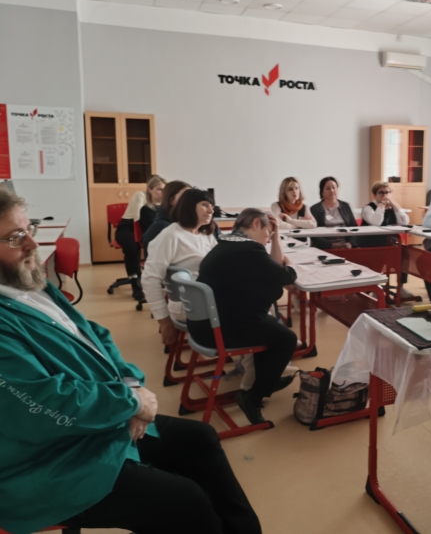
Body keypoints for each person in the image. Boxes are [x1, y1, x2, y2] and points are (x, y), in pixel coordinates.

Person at [0, 192, 261, 534]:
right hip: (48, 462)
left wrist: (131, 385)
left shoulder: (29, 284)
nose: (33, 244)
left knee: (200, 438)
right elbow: (42, 403)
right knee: (187, 504)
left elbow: (94, 334)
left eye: (29, 229)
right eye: (15, 237)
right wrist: (131, 403)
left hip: (98, 420)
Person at [189, 209, 297, 425]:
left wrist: (275, 235)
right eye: (267, 233)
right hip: (219, 331)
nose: (268, 239)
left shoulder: (226, 243)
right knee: (287, 339)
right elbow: (286, 277)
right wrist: (290, 262)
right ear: (256, 224)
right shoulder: (249, 250)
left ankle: (266, 381)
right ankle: (252, 398)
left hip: (206, 325)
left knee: (269, 326)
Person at [142, 188, 217, 346]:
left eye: (212, 206)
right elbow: (150, 279)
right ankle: (243, 355)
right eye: (204, 205)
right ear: (189, 207)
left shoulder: (205, 235)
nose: (211, 211)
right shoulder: (171, 235)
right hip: (190, 305)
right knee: (252, 311)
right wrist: (164, 321)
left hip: (207, 299)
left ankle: (244, 355)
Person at [115, 175, 166, 301]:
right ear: (149, 189)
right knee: (132, 247)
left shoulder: (164, 203)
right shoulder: (140, 195)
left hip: (148, 227)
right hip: (128, 227)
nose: (162, 192)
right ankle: (135, 282)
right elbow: (138, 218)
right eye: (159, 189)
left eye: (164, 189)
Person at [141, 180, 191, 255]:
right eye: (185, 196)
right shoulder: (161, 227)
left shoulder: (188, 223)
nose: (191, 200)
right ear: (171, 200)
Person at [309, 177, 357, 249]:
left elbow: (354, 227)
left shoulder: (345, 206)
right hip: (325, 247)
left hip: (346, 245)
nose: (331, 190)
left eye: (334, 187)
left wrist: (350, 243)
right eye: (328, 188)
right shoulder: (315, 209)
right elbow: (313, 234)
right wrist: (331, 245)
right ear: (322, 191)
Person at [359, 181, 410, 247]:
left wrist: (393, 203)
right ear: (374, 195)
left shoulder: (392, 207)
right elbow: (376, 223)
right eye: (381, 193)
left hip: (390, 243)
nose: (385, 195)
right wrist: (382, 204)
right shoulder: (368, 208)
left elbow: (404, 222)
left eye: (388, 192)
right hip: (370, 243)